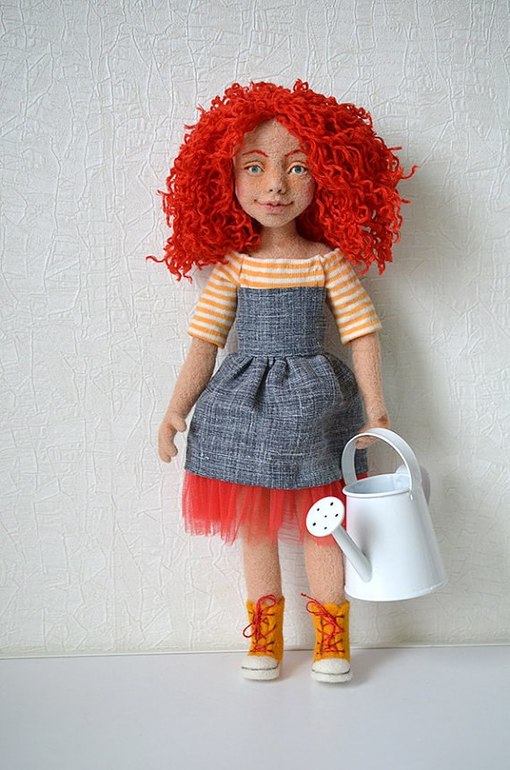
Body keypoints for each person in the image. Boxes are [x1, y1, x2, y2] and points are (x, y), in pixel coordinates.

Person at [149, 81, 413, 682]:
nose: (275, 186)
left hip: (316, 410)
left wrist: (377, 408)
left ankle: (331, 639)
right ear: (224, 179)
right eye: (254, 167)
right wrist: (175, 409)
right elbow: (205, 343)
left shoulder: (324, 261)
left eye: (297, 168)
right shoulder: (234, 268)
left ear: (327, 179)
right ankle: (264, 635)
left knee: (326, 524)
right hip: (242, 409)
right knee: (256, 529)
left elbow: (362, 332)